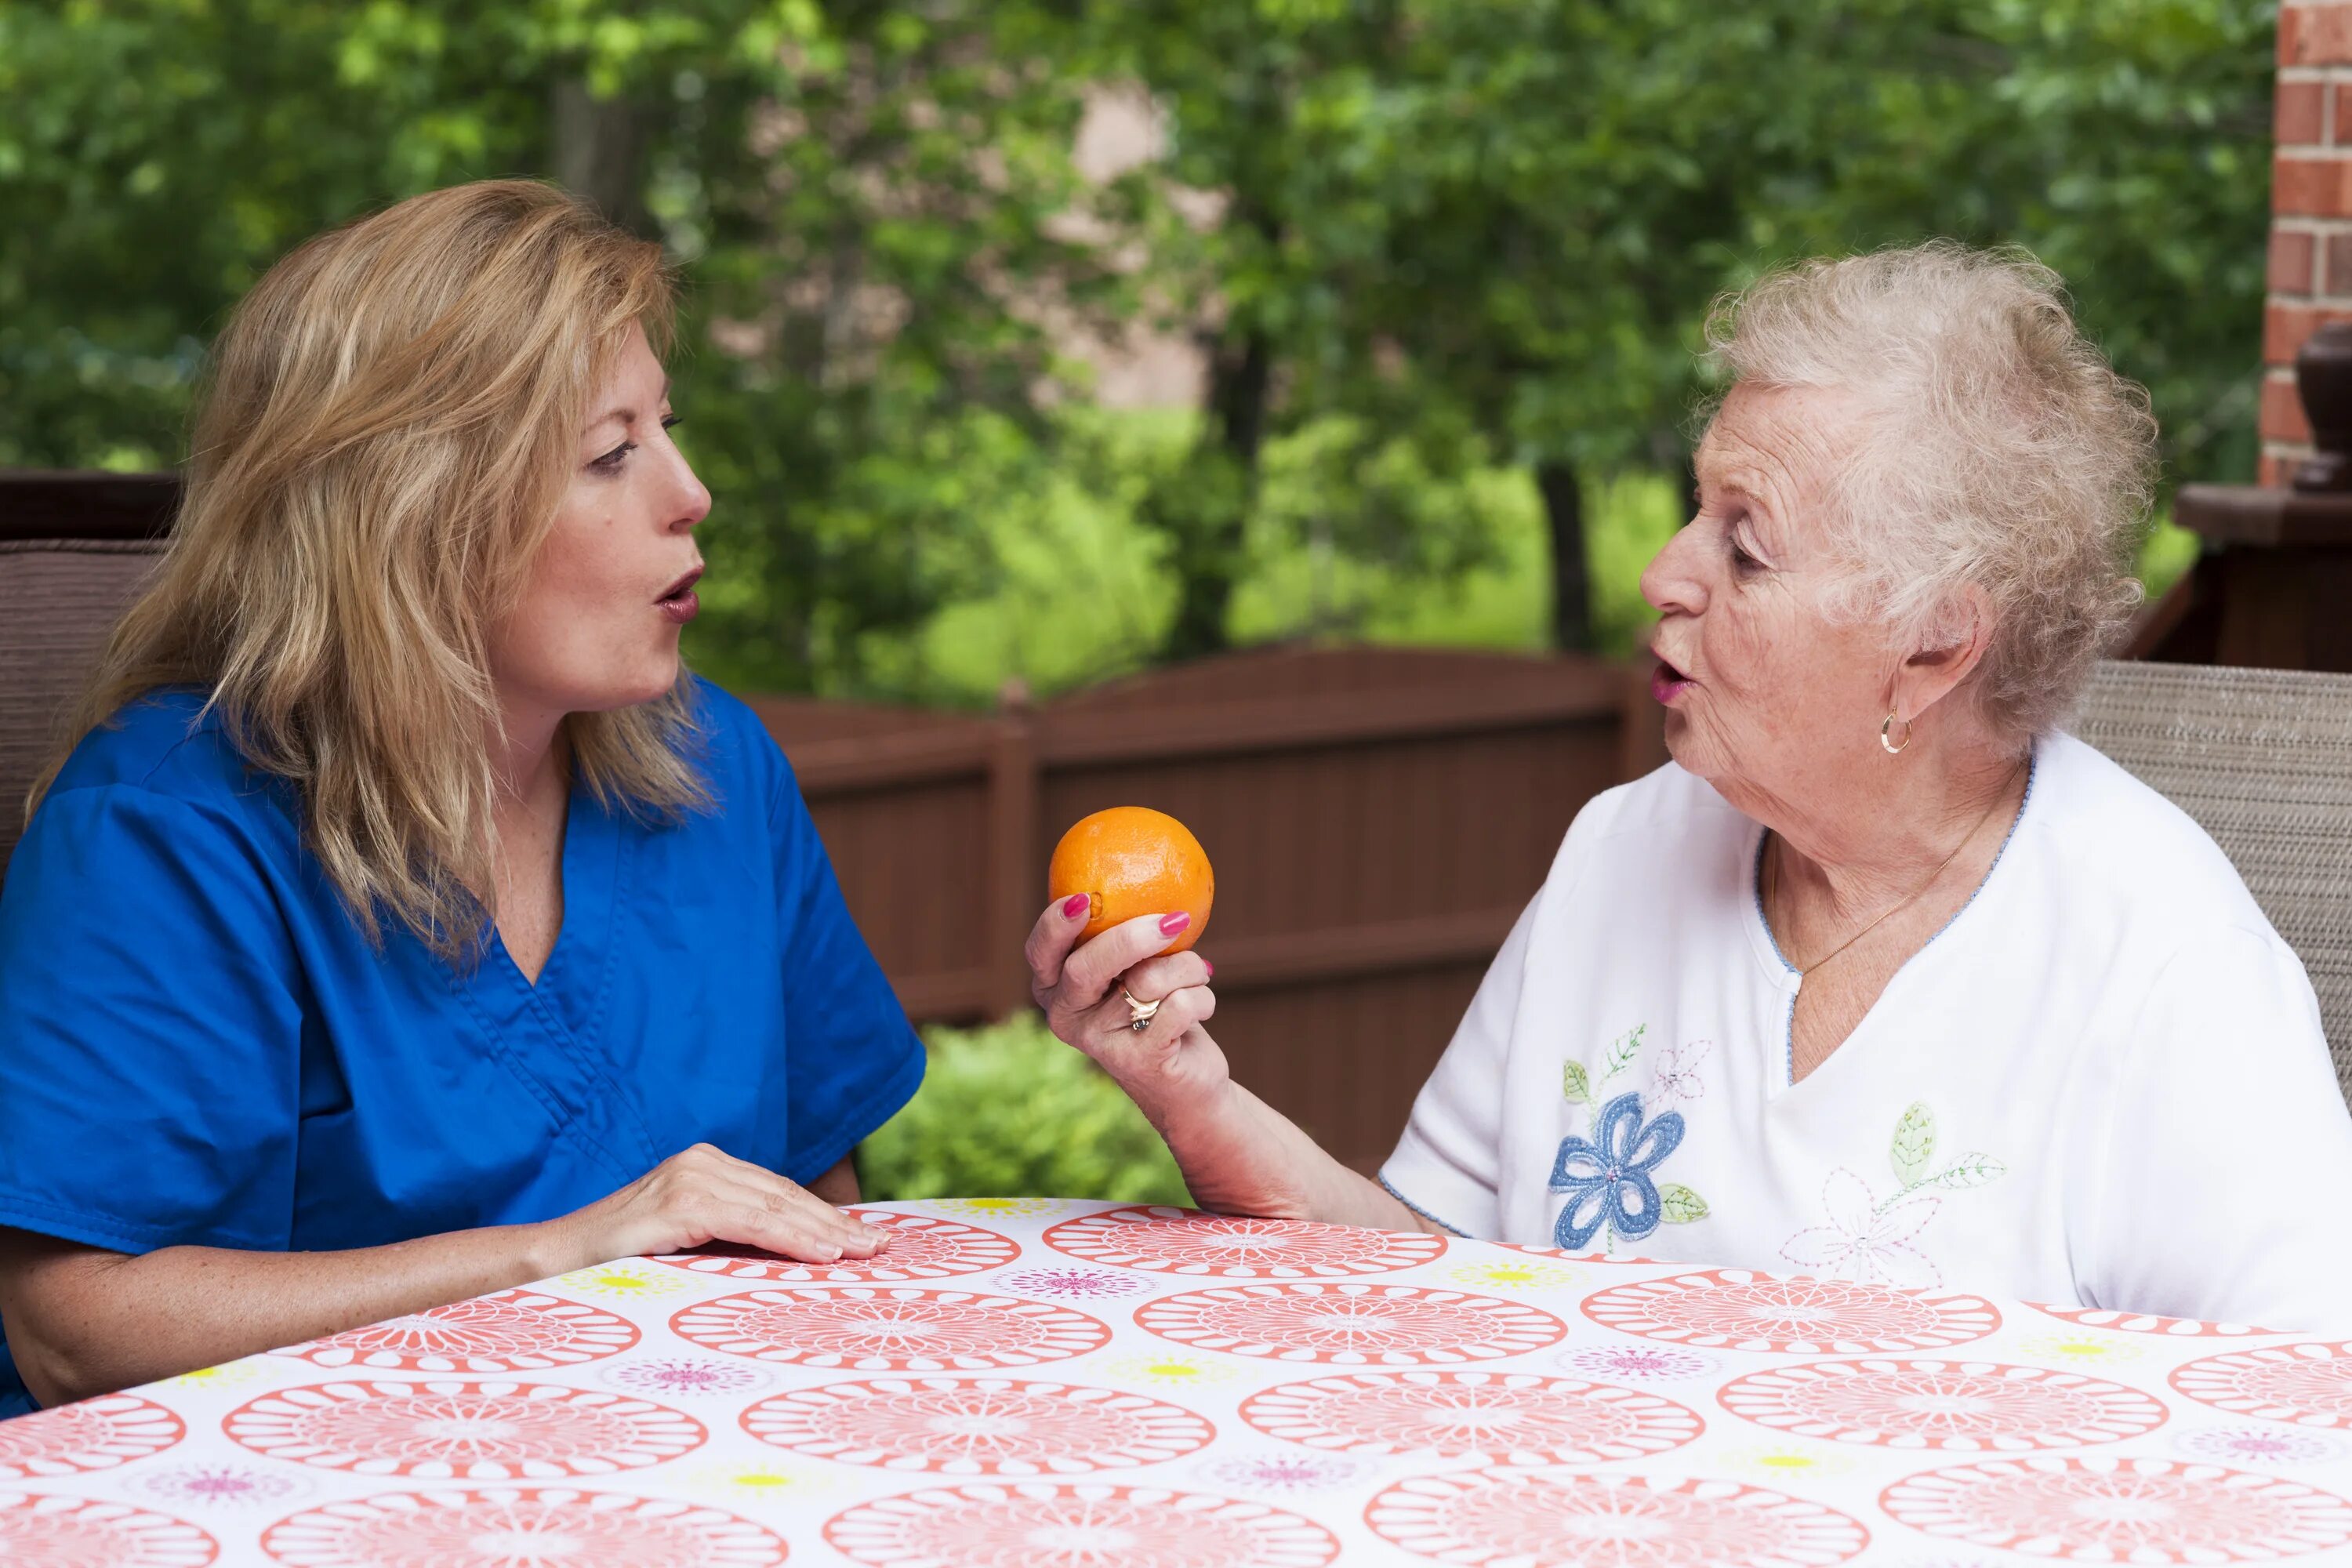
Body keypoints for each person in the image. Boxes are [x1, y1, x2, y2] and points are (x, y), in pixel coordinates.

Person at [1029, 242, 2352, 1331]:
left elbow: (2299, 1425)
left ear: (1935, 646)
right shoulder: (1625, 847)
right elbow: (1427, 1274)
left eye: (1748, 546)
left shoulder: (2165, 969)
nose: (1666, 571)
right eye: (1694, 509)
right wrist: (1189, 1093)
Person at [0, 181, 924, 1417]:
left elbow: (822, 1195)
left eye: (667, 427)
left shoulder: (720, 768)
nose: (690, 491)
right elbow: (76, 1324)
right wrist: (566, 1255)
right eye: (611, 452)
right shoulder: (163, 831)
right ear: (414, 517)